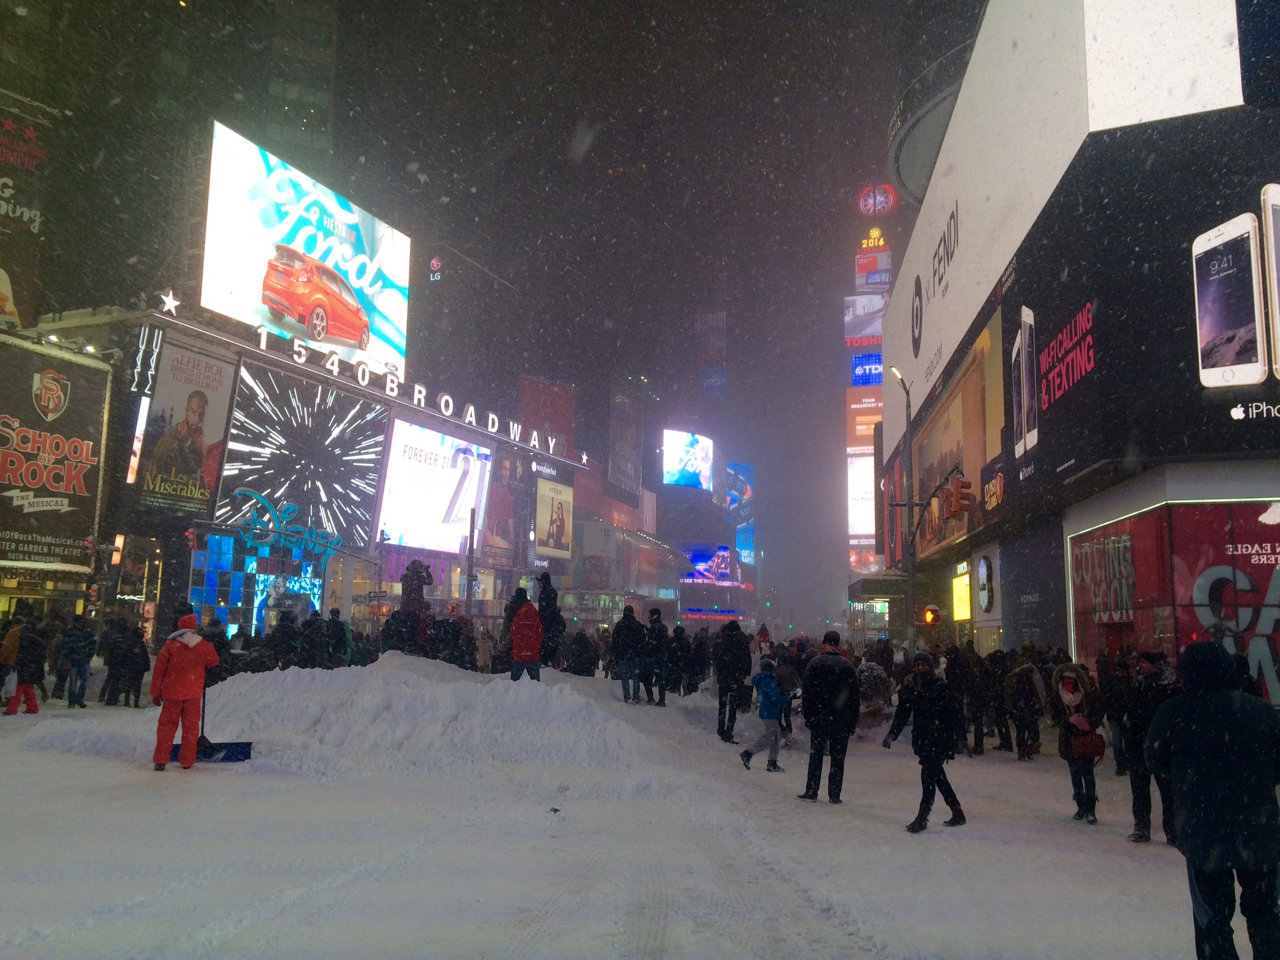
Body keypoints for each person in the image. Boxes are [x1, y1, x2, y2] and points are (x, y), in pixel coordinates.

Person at [1146, 640, 1280, 960]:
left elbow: (1154, 758)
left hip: (1202, 831)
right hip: (1258, 830)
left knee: (1212, 919)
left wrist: (1187, 777)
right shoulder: (1260, 711)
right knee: (1266, 915)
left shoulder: (1174, 712)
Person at [884, 650, 965, 831]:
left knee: (928, 778)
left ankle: (922, 817)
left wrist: (961, 737)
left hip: (939, 738)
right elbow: (902, 714)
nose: (920, 668)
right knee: (937, 776)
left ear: (930, 666)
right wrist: (892, 734)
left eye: (924, 665)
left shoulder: (941, 687)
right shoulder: (912, 688)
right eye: (917, 665)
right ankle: (957, 811)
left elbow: (954, 714)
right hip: (923, 739)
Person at [1121, 651, 1181, 843]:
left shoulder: (1168, 687)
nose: (1142, 666)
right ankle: (1141, 826)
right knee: (1140, 790)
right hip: (1139, 745)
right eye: (1141, 662)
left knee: (1167, 792)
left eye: (1146, 662)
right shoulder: (1137, 685)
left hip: (1161, 746)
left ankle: (1172, 830)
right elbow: (1130, 712)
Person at [150, 614, 220, 771]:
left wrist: (156, 692)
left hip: (172, 694)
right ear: (193, 627)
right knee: (191, 729)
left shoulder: (170, 645)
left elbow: (159, 670)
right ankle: (187, 761)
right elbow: (214, 661)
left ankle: (161, 760)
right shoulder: (201, 644)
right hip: (193, 694)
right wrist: (209, 647)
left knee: (166, 727)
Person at [797, 632, 859, 803]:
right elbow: (854, 696)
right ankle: (834, 794)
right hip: (841, 718)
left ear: (824, 642)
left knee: (816, 755)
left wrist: (809, 715)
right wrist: (852, 720)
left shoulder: (815, 663)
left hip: (819, 717)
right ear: (838, 644)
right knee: (838, 758)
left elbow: (807, 693)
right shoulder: (847, 665)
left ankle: (812, 790)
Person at [1050, 662, 1103, 824]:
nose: (1068, 682)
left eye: (1071, 679)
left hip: (1086, 739)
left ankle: (1091, 809)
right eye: (1065, 679)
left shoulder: (1088, 694)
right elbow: (1055, 716)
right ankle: (1081, 806)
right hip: (1068, 740)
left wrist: (1089, 723)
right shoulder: (1057, 696)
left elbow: (1098, 712)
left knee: (1088, 774)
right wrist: (1068, 720)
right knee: (1075, 775)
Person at [740, 658, 788, 773]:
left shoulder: (763, 679)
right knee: (769, 736)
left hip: (769, 711)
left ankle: (772, 762)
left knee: (776, 737)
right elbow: (774, 698)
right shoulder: (769, 681)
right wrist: (786, 698)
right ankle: (748, 753)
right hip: (770, 711)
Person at [713, 620, 752, 743]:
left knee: (722, 704)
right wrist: (744, 674)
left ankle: (720, 729)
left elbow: (716, 657)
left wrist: (720, 672)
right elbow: (747, 660)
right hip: (737, 677)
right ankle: (729, 732)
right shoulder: (743, 641)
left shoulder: (722, 641)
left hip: (724, 676)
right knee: (733, 706)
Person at [3, 615, 45, 715]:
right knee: (28, 687)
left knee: (18, 687)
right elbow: (42, 647)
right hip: (31, 665)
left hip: (22, 665)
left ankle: (12, 709)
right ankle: (32, 708)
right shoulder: (34, 638)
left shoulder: (21, 637)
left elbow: (10, 648)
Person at [1007, 657, 1045, 761]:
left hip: (1026, 709)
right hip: (1022, 710)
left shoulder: (1028, 680)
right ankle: (1023, 751)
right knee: (1023, 732)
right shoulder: (1019, 680)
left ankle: (1026, 750)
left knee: (1029, 732)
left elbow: (1036, 694)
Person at [1103, 656, 1134, 776]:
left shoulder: (1119, 682)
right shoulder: (1126, 682)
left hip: (1120, 715)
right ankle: (1122, 765)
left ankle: (1123, 764)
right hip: (1118, 716)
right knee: (1119, 742)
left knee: (1123, 741)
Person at [60, 614, 95, 709]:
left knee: (81, 681)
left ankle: (77, 699)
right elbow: (65, 647)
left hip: (80, 660)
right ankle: (74, 700)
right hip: (76, 660)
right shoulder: (75, 632)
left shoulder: (80, 632)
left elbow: (65, 646)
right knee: (75, 682)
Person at [508, 587, 543, 681]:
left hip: (518, 651)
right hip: (533, 651)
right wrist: (536, 642)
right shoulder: (532, 610)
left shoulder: (514, 608)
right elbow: (540, 630)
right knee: (535, 683)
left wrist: (516, 641)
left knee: (514, 682)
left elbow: (512, 630)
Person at [612, 605, 645, 703]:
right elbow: (642, 640)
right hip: (634, 655)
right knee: (635, 676)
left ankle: (627, 696)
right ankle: (636, 696)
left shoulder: (620, 625)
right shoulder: (637, 625)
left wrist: (616, 652)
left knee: (624, 676)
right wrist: (639, 651)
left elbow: (615, 639)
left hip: (622, 655)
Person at [983, 649, 1013, 752]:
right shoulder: (1003, 669)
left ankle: (1005, 742)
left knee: (1001, 721)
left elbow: (998, 686)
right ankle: (1005, 742)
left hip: (1000, 699)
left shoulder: (1000, 671)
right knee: (1002, 722)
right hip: (1001, 699)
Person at [535, 572, 565, 668]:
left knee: (546, 646)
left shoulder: (546, 593)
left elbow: (546, 610)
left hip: (546, 624)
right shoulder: (550, 592)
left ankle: (545, 662)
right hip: (548, 624)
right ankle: (547, 662)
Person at [117, 627, 151, 708]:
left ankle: (127, 701)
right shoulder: (141, 644)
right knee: (137, 685)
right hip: (139, 667)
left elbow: (124, 655)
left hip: (131, 666)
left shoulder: (129, 643)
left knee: (129, 684)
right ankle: (135, 702)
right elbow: (145, 656)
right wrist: (146, 665)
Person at [642, 608, 668, 706]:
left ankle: (650, 697)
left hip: (652, 657)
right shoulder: (663, 627)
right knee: (660, 678)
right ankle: (662, 699)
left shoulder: (654, 628)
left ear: (654, 616)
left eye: (650, 615)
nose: (648, 617)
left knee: (647, 678)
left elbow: (650, 641)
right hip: (660, 657)